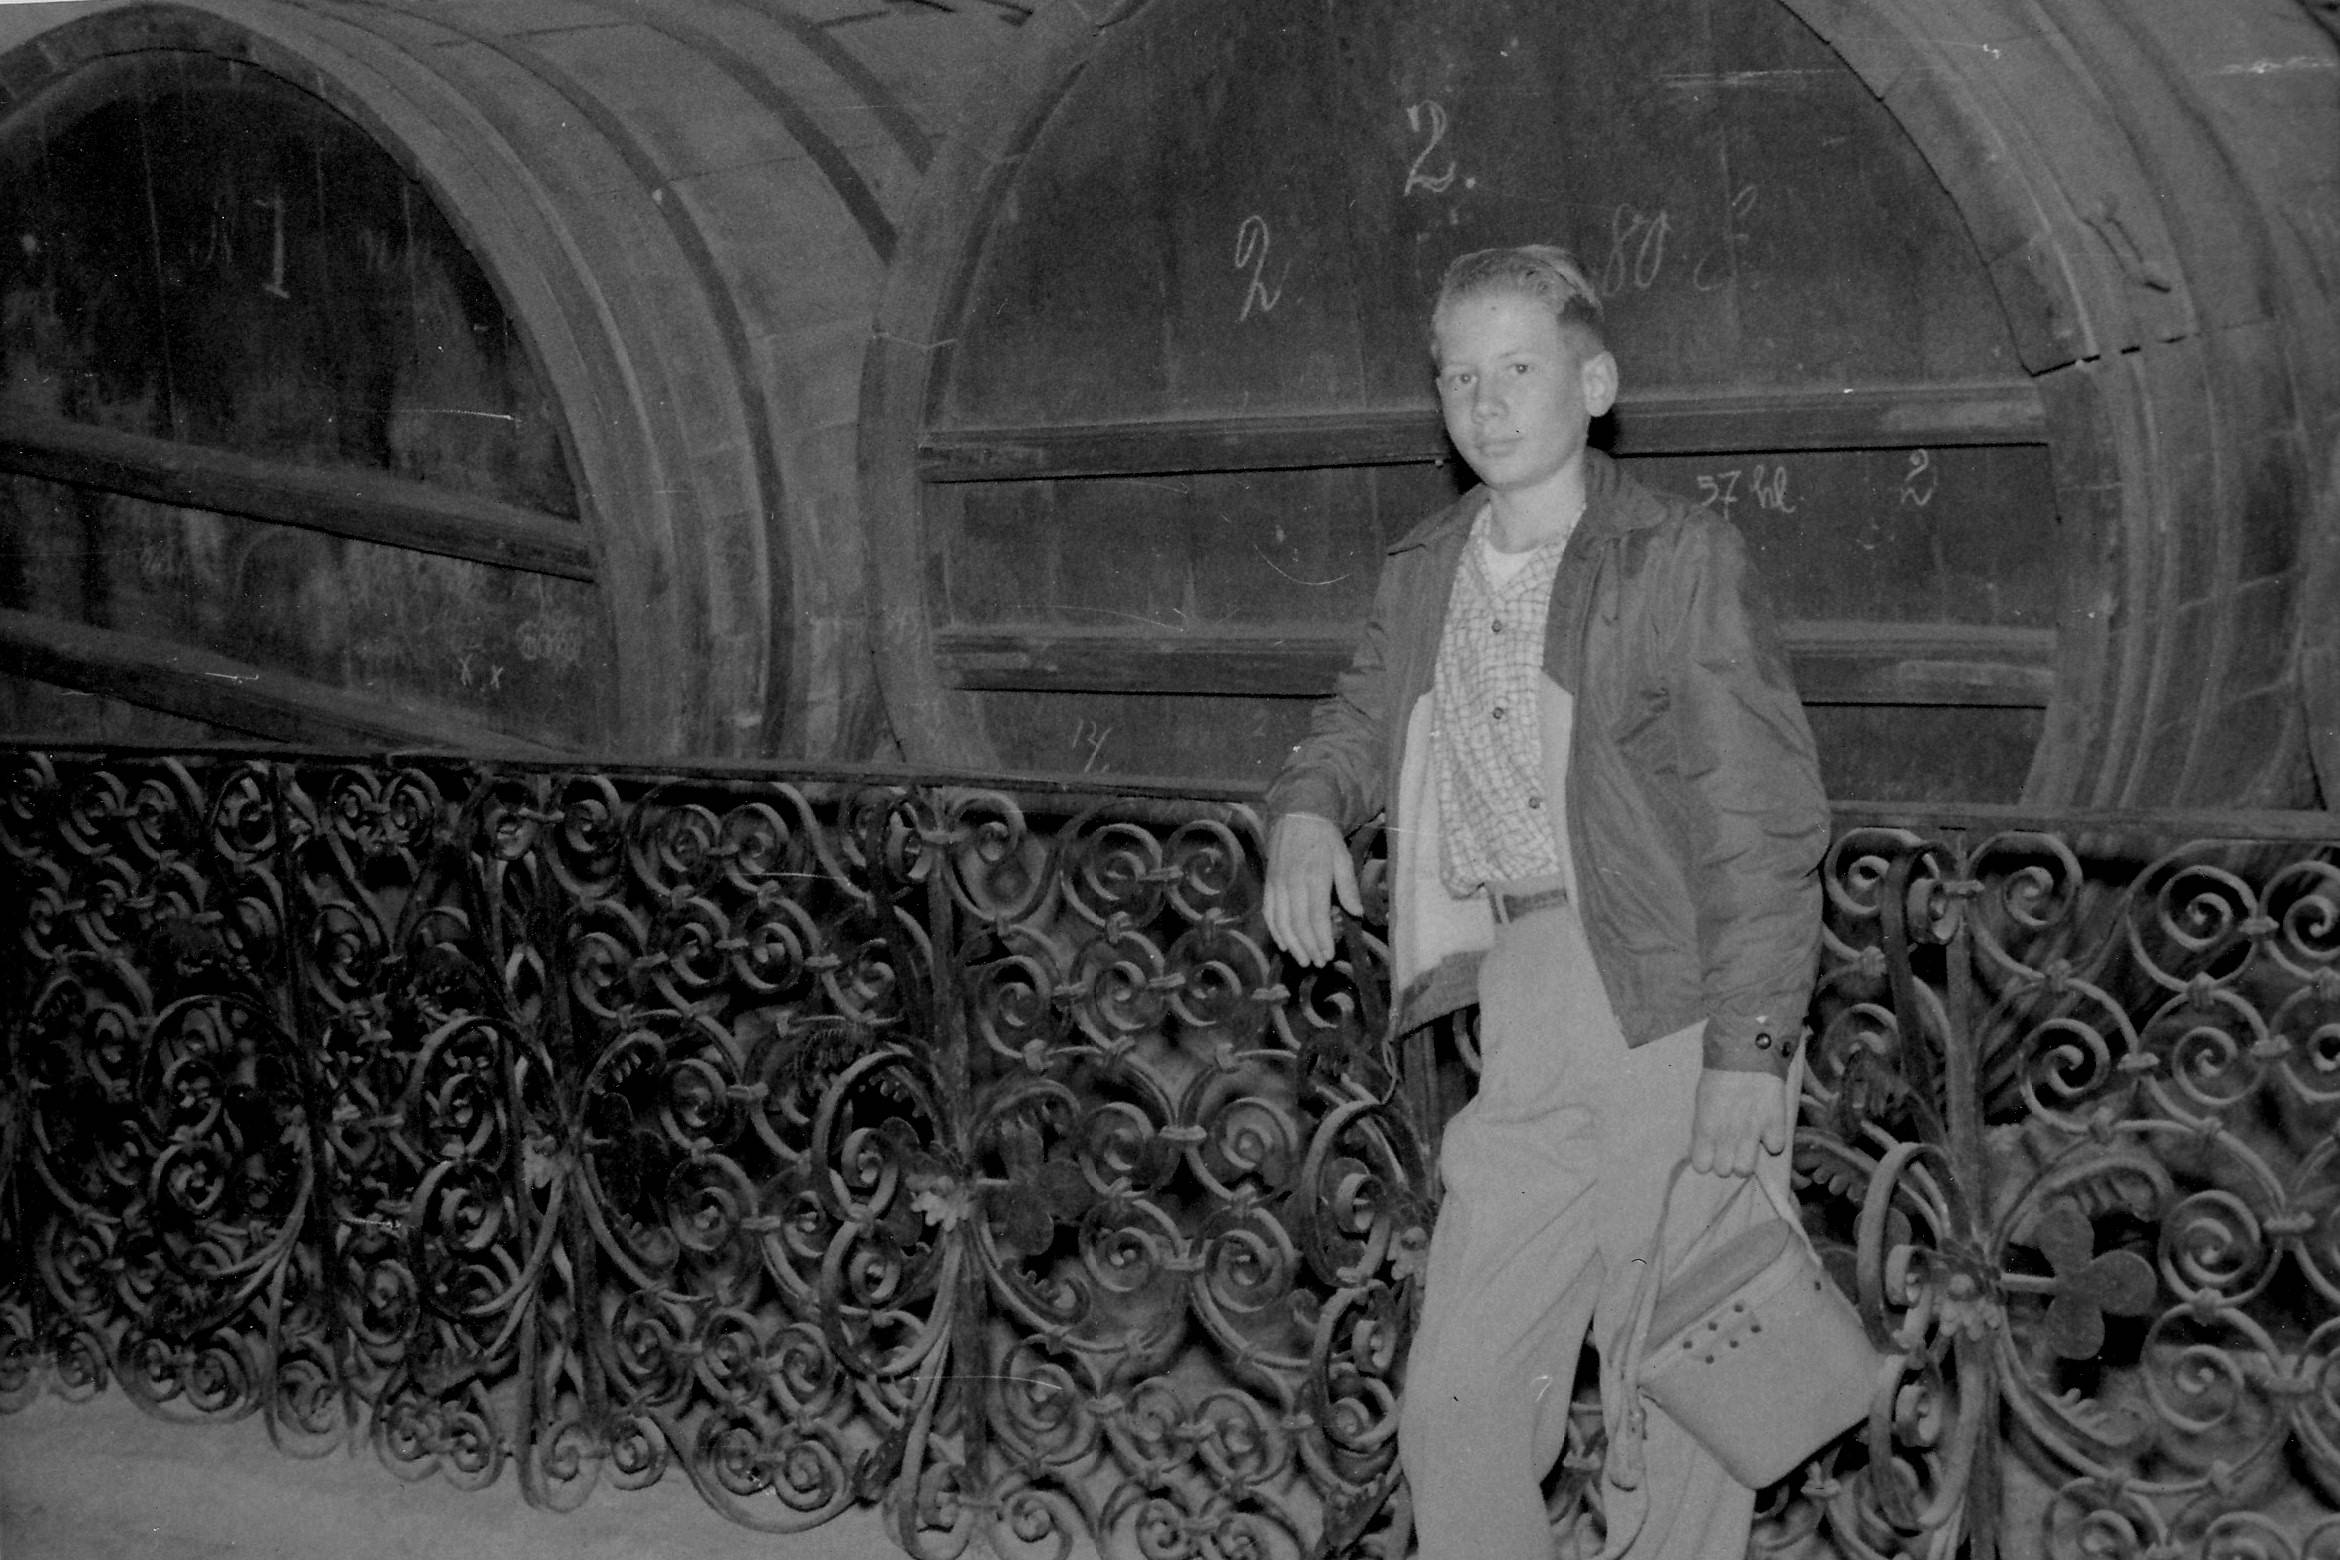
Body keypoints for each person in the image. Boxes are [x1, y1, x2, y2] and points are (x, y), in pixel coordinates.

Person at [1260, 246, 1830, 1559]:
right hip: (1520, 991)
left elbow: (1758, 818)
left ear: (1596, 382)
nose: (1488, 401)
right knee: (1457, 1397)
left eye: (1520, 367)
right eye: (1460, 376)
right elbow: (1357, 723)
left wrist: (1751, 1049)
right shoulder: (1429, 565)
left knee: (1674, 1389)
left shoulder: (1672, 557)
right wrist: (1303, 810)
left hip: (1672, 997)